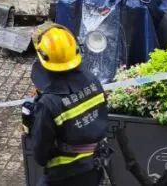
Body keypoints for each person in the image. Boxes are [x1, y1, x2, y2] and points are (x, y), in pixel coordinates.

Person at [22, 23, 108, 186]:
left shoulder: (48, 104)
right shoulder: (92, 81)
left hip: (62, 177)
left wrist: (32, 126)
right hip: (94, 168)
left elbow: (40, 155)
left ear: (43, 58)